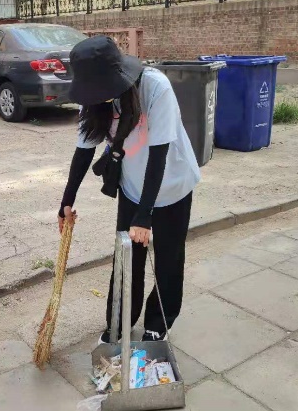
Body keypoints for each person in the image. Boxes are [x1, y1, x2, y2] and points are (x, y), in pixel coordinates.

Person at [58, 36, 200, 344]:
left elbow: (159, 156)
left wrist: (144, 216)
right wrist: (66, 201)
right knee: (126, 260)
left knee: (168, 259)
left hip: (173, 184)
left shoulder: (155, 87)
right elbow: (84, 150)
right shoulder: (93, 98)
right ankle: (119, 323)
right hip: (133, 186)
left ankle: (159, 323)